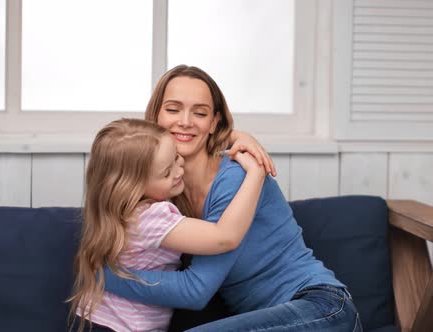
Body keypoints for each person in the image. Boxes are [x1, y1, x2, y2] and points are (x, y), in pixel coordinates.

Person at [102, 65, 362, 331]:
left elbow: (195, 289)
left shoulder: (238, 177)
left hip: (322, 308)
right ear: (155, 116)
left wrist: (104, 276)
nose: (185, 121)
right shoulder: (166, 195)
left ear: (214, 122)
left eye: (200, 113)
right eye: (172, 109)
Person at [68, 118, 266, 332]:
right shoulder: (151, 218)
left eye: (176, 157)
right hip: (122, 327)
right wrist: (256, 174)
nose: (179, 170)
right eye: (166, 173)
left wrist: (236, 136)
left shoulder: (122, 212)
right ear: (132, 187)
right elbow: (225, 237)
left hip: (98, 320)